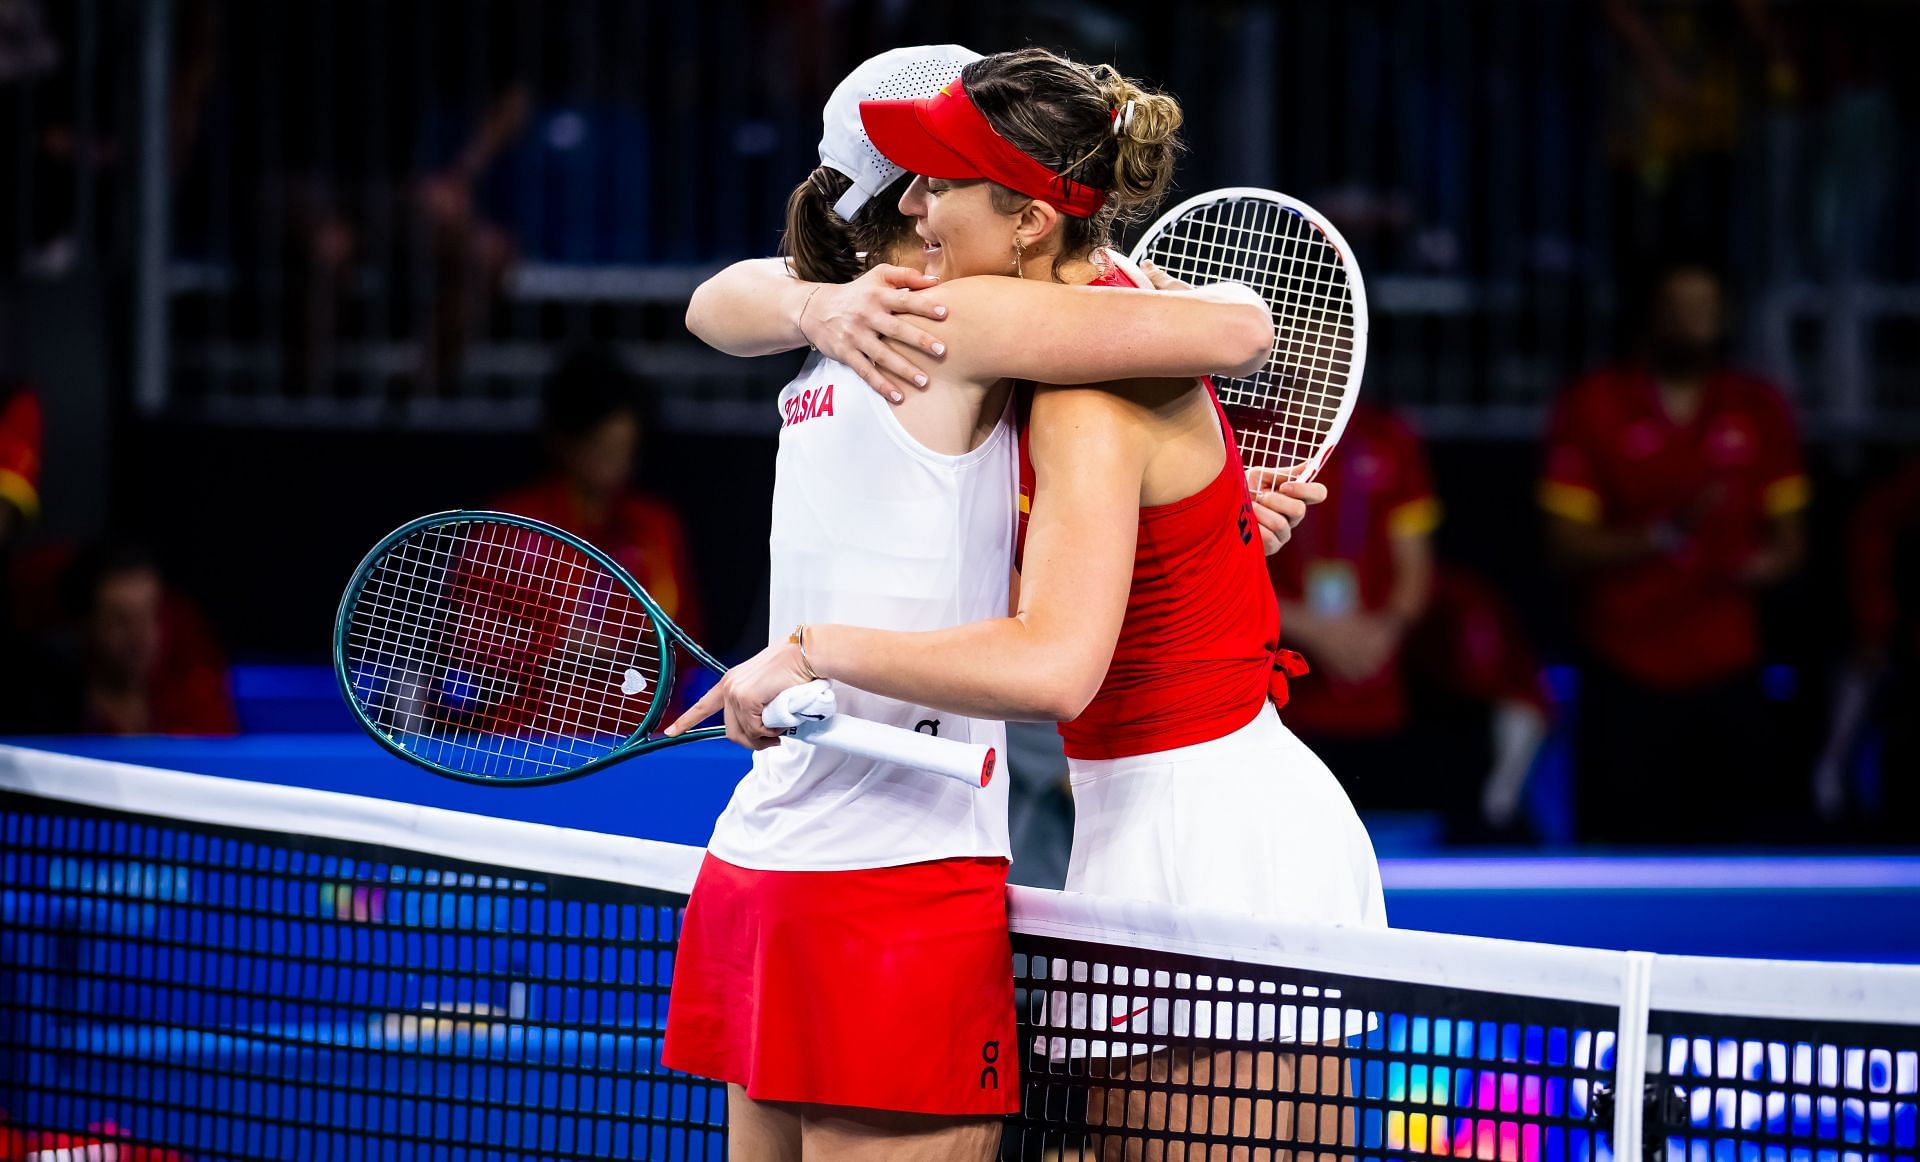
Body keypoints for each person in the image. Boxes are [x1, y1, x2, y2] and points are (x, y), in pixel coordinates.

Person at [673, 46, 1381, 1160]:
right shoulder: (1064, 348)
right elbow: (723, 303)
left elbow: (1056, 660)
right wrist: (1205, 513)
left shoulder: (1065, 376)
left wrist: (808, 649)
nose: (916, 206)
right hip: (1135, 815)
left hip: (1208, 837)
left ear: (1029, 224)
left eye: (942, 184)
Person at [1540, 260, 1807, 843]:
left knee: (1740, 856)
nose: (1693, 323)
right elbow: (1565, 546)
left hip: (1729, 663)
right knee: (1618, 858)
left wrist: (1761, 564)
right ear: (1649, 316)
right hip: (1625, 662)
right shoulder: (1596, 404)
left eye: (1706, 309)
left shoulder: (1758, 406)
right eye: (1679, 308)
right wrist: (1662, 537)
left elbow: (1791, 543)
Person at [1267, 401, 1439, 808]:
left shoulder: (1389, 435)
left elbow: (1415, 566)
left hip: (1374, 685)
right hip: (1281, 703)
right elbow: (1221, 563)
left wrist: (1386, 628)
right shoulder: (1254, 434)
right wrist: (1309, 627)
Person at [493, 344, 702, 641]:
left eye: (623, 451)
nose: (615, 465)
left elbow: (687, 635)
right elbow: (474, 635)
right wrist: (555, 644)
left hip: (640, 686)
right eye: (601, 449)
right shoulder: (509, 526)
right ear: (564, 441)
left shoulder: (657, 526)